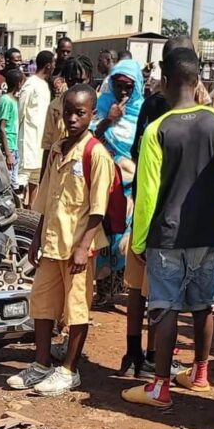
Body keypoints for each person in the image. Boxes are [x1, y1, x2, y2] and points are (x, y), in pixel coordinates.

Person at [123, 48, 214, 408]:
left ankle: (160, 387)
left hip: (166, 236)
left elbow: (147, 193)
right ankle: (200, 375)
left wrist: (138, 240)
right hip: (208, 233)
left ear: (168, 82)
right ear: (198, 80)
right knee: (203, 306)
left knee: (165, 307)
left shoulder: (158, 129)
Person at [7, 85, 113, 395]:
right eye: (68, 112)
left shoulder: (97, 155)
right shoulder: (56, 150)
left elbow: (98, 209)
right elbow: (45, 202)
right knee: (42, 303)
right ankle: (40, 364)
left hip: (77, 247)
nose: (73, 118)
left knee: (76, 308)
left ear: (93, 115)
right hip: (52, 243)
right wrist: (36, 238)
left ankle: (69, 369)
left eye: (80, 113)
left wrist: (83, 247)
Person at [92, 58, 144, 300]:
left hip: (131, 187)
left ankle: (121, 287)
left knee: (125, 237)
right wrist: (109, 119)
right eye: (118, 85)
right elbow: (90, 137)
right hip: (105, 184)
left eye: (128, 86)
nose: (123, 91)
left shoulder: (143, 111)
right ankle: (102, 288)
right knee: (104, 233)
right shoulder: (102, 106)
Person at [41, 55, 94, 177]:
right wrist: (44, 180)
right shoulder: (55, 106)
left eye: (81, 80)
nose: (76, 86)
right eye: (71, 80)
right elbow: (48, 147)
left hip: (87, 171)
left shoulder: (100, 105)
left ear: (89, 78)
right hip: (59, 171)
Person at [18, 51, 54, 206]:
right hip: (28, 139)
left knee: (36, 180)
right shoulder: (30, 84)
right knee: (21, 180)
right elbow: (21, 110)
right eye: (53, 63)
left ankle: (31, 213)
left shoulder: (44, 85)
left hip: (40, 140)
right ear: (48, 65)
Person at [0, 68, 23, 184]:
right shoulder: (7, 101)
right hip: (8, 147)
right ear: (19, 83)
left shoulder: (13, 100)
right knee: (10, 183)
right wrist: (8, 154)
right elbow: (2, 127)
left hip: (12, 146)